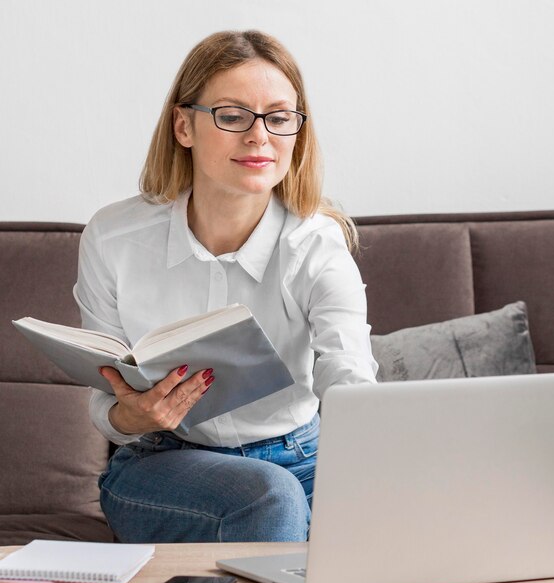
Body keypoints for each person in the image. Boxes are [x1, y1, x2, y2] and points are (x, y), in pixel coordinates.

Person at [74, 30, 378, 543]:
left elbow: (346, 371)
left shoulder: (317, 244)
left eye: (279, 118)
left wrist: (374, 444)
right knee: (270, 497)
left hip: (305, 457)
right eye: (233, 116)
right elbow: (105, 404)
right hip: (165, 463)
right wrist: (134, 413)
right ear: (183, 125)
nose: (260, 137)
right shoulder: (113, 237)